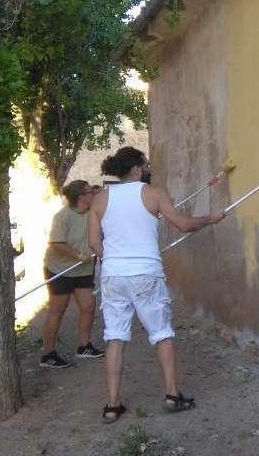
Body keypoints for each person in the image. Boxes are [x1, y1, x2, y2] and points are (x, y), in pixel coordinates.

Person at [88, 147, 225, 423]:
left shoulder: (100, 198)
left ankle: (113, 406)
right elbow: (184, 225)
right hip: (145, 273)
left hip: (113, 274)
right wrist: (211, 219)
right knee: (161, 333)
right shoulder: (154, 193)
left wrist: (115, 259)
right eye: (146, 164)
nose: (149, 168)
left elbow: (93, 243)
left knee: (115, 337)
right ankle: (172, 395)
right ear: (137, 169)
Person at [40, 180, 103, 369]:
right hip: (60, 269)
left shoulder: (93, 212)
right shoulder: (63, 216)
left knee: (88, 306)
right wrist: (77, 255)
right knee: (58, 310)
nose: (94, 193)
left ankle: (84, 346)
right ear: (81, 197)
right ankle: (48, 355)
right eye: (90, 191)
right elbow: (56, 243)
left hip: (83, 269)